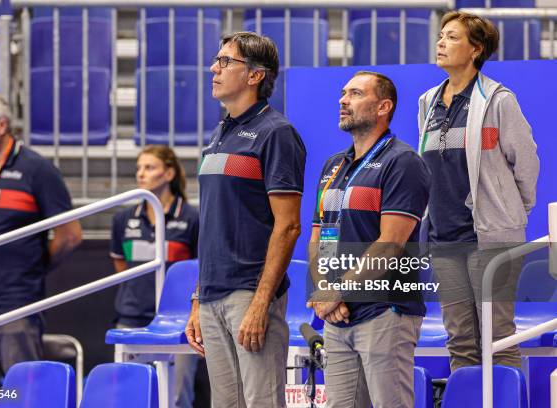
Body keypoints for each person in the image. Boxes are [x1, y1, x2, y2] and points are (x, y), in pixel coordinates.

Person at [185, 31, 306, 408]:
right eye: (216, 60)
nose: (213, 68)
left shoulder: (276, 133)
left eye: (225, 62)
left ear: (255, 76)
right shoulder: (221, 133)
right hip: (212, 295)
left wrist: (260, 303)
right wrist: (197, 297)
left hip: (250, 295)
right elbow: (214, 225)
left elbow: (288, 226)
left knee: (262, 403)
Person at [418, 11, 539, 371]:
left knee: (498, 340)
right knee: (461, 343)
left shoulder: (500, 100)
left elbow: (527, 165)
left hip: (491, 238)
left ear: (476, 50)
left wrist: (511, 213)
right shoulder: (426, 102)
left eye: (452, 37)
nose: (441, 42)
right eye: (441, 35)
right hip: (443, 240)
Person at [0, 92, 82, 403]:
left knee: (23, 394)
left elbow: (70, 234)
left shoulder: (36, 170)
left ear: (2, 124)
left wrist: (33, 268)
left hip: (15, 305)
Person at [307, 71, 431, 408]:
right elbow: (319, 237)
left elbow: (391, 242)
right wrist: (324, 293)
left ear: (383, 106)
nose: (343, 100)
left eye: (356, 94)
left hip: (384, 311)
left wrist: (336, 291)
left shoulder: (402, 163)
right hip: (338, 314)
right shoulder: (334, 166)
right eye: (343, 93)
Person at [110, 145, 204, 408]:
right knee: (128, 396)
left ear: (169, 173)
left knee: (176, 397)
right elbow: (120, 264)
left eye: (149, 168)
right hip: (131, 315)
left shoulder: (192, 218)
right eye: (139, 168)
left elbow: (200, 267)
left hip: (181, 320)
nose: (141, 174)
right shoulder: (122, 219)